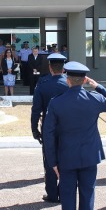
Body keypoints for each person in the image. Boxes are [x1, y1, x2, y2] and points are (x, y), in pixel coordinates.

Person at [43, 61, 106, 210]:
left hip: (66, 158)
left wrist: (52, 162)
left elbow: (49, 135)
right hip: (89, 157)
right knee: (87, 197)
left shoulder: (57, 102)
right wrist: (98, 86)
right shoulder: (94, 98)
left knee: (68, 199)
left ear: (67, 80)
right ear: (84, 80)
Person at [31, 53, 68, 202]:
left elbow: (36, 110)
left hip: (48, 128)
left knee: (49, 160)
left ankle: (52, 194)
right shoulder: (69, 83)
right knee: (66, 159)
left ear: (50, 67)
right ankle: (65, 191)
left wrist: (34, 129)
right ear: (63, 68)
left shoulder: (43, 83)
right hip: (67, 127)